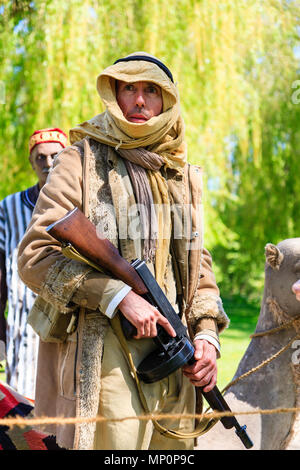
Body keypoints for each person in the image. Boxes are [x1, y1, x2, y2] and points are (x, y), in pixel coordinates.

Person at [18, 53, 229, 450]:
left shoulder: (180, 175)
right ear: (113, 93)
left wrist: (205, 340)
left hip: (176, 358)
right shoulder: (79, 161)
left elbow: (199, 271)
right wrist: (118, 296)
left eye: (151, 90)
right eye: (128, 88)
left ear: (167, 100)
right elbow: (35, 257)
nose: (139, 101)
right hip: (104, 359)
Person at [0, 128, 67, 399]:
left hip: (68, 322)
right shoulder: (9, 208)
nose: (48, 163)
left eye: (55, 155)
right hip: (22, 327)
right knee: (25, 416)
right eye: (41, 157)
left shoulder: (81, 204)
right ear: (31, 162)